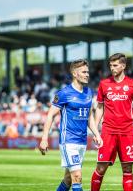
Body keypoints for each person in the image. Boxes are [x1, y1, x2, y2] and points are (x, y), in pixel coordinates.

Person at [39, 59, 102, 191]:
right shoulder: (64, 93)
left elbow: (89, 116)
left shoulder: (89, 93)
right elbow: (50, 115)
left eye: (87, 72)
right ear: (74, 73)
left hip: (82, 142)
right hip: (68, 141)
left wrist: (97, 134)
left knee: (68, 179)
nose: (87, 74)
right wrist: (44, 138)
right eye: (83, 72)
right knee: (77, 176)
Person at [90, 53, 133, 191]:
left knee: (127, 167)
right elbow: (99, 107)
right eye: (110, 65)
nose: (112, 68)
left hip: (126, 131)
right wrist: (95, 130)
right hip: (108, 131)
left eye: (115, 65)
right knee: (101, 166)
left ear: (123, 66)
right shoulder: (104, 84)